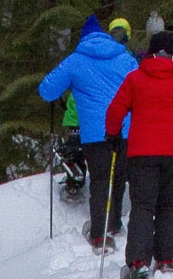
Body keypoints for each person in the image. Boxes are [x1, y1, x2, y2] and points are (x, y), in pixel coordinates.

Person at [104, 30, 173, 279]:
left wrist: (113, 135)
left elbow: (114, 111)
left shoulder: (135, 79)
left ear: (150, 52)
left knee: (142, 205)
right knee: (167, 204)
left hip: (142, 153)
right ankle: (167, 259)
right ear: (172, 54)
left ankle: (139, 263)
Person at [39, 14, 138, 254]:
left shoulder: (76, 60)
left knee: (101, 180)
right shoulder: (125, 58)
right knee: (118, 177)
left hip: (95, 134)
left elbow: (47, 90)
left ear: (83, 39)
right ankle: (114, 223)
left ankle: (99, 235)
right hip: (126, 129)